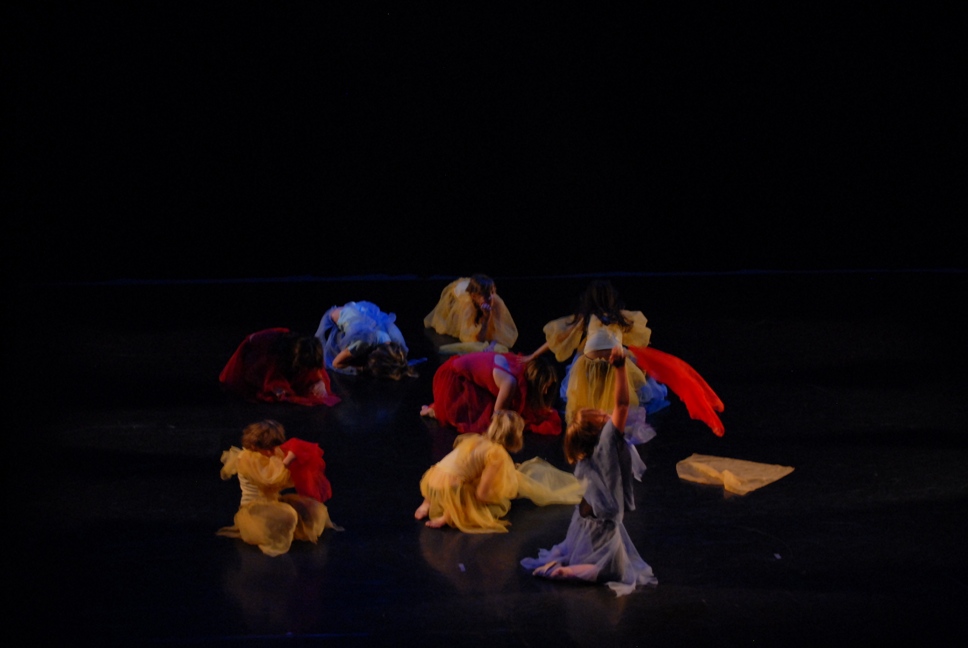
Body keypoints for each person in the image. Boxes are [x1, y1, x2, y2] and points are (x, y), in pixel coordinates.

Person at [520, 344, 658, 596]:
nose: (605, 414)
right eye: (601, 417)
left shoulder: (586, 451)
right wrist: (619, 369)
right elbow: (622, 405)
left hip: (582, 522)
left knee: (591, 556)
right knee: (615, 570)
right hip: (602, 525)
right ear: (598, 432)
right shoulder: (606, 444)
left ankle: (569, 562)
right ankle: (567, 572)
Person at [524, 279, 725, 443]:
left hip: (595, 363)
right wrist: (532, 356)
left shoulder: (597, 318)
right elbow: (558, 338)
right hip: (606, 363)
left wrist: (533, 355)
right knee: (609, 396)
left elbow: (557, 338)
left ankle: (601, 429)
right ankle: (601, 429)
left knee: (602, 396)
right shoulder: (612, 318)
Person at [414, 410, 584, 533]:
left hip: (431, 481)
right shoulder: (497, 454)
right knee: (478, 500)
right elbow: (482, 494)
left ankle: (427, 503)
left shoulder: (477, 440)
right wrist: (500, 493)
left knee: (452, 475)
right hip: (451, 490)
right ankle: (448, 516)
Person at [218, 419, 341, 556]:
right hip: (254, 507)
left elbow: (286, 481)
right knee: (287, 516)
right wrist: (288, 461)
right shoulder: (246, 458)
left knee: (312, 510)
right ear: (255, 445)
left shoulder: (271, 453)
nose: (272, 452)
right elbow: (269, 481)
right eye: (268, 448)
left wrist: (300, 462)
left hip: (274, 502)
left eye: (274, 447)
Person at [420, 350, 562, 436]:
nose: (546, 392)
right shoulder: (510, 382)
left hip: (466, 374)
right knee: (482, 419)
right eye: (544, 387)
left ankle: (436, 407)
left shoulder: (518, 367)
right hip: (454, 380)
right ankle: (435, 411)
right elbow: (497, 417)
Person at [219, 327, 341, 406]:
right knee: (273, 388)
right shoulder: (272, 346)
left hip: (285, 356)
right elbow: (251, 341)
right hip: (259, 354)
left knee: (314, 384)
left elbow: (316, 371)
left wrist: (319, 383)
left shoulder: (309, 350)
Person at [315, 301, 419, 380]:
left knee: (399, 346)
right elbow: (336, 363)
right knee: (343, 351)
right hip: (334, 318)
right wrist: (361, 368)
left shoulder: (386, 340)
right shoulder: (362, 343)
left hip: (359, 314)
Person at [423, 274, 518, 353]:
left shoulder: (495, 301)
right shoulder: (467, 306)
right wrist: (486, 319)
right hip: (460, 292)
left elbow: (500, 333)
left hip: (471, 291)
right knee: (451, 321)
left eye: (492, 292)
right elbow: (477, 340)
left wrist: (489, 317)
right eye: (485, 295)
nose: (490, 297)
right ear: (474, 296)